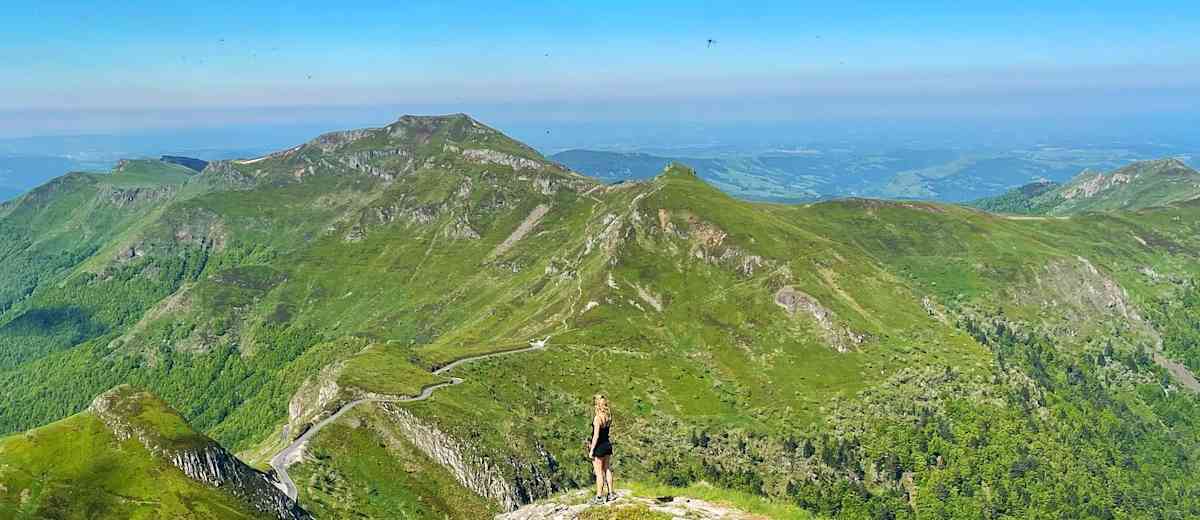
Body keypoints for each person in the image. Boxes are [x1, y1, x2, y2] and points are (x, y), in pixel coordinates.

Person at [588, 394, 614, 504]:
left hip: (599, 447)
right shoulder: (608, 417)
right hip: (607, 445)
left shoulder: (597, 418)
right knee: (607, 469)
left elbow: (596, 436)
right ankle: (611, 493)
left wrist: (591, 450)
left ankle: (599, 497)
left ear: (597, 405)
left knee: (599, 473)